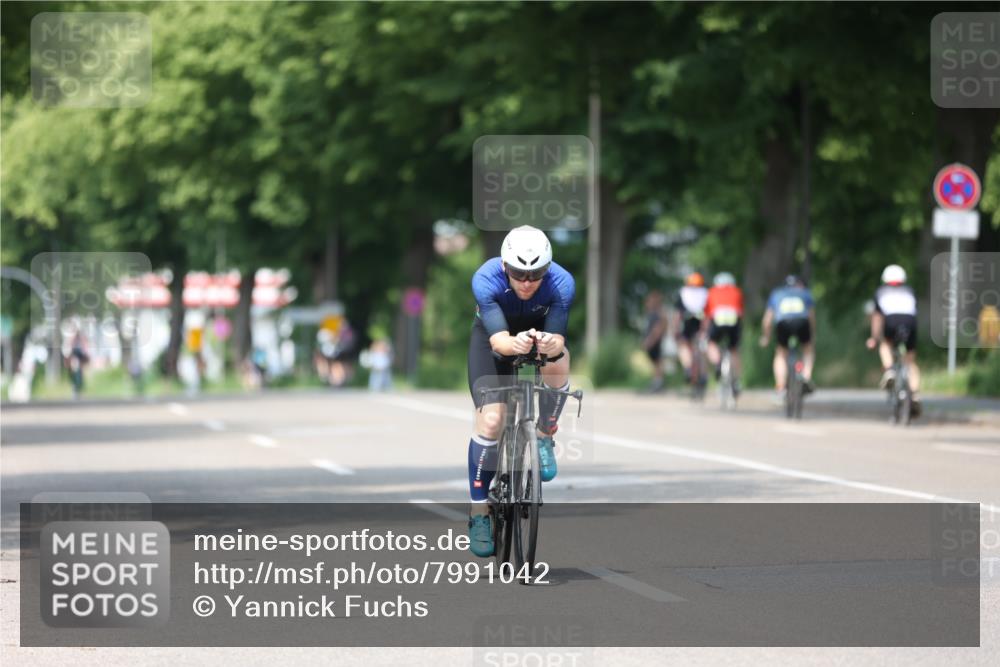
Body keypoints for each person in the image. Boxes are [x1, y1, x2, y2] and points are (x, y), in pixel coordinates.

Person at [466, 225, 575, 557]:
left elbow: (558, 339)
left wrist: (548, 343)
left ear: (547, 269)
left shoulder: (561, 282)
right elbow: (500, 341)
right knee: (492, 420)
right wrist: (517, 343)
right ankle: (479, 511)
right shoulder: (485, 279)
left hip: (538, 335)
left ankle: (544, 433)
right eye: (518, 272)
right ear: (504, 266)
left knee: (559, 360)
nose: (527, 281)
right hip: (494, 340)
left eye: (536, 273)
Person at [866, 264, 921, 416]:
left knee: (885, 344)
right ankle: (915, 394)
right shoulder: (910, 291)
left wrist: (874, 338)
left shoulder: (880, 292)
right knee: (910, 362)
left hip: (891, 321)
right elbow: (914, 311)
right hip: (910, 322)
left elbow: (877, 318)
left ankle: (890, 370)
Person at [760, 275, 816, 403]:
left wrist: (766, 337)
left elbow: (767, 320)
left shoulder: (777, 294)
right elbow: (811, 316)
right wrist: (812, 335)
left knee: (781, 353)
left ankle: (780, 386)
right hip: (802, 322)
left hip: (783, 323)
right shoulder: (805, 293)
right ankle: (806, 377)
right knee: (807, 350)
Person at [703, 272, 743, 396]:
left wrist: (705, 331)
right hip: (733, 319)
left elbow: (707, 315)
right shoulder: (737, 292)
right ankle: (736, 380)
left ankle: (718, 363)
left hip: (718, 318)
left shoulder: (711, 292)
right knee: (734, 349)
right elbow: (741, 311)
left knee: (711, 343)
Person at [673, 272, 709, 388]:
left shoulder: (683, 293)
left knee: (683, 346)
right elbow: (708, 314)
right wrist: (705, 330)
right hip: (701, 325)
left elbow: (677, 315)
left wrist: (675, 331)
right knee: (702, 351)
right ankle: (703, 375)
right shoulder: (706, 294)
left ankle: (688, 368)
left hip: (687, 324)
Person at [640, 290, 668, 392]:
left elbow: (658, 329)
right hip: (654, 341)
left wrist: (649, 341)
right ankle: (656, 382)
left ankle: (658, 384)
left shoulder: (658, 314)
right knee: (655, 363)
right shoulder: (653, 313)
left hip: (656, 342)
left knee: (657, 363)